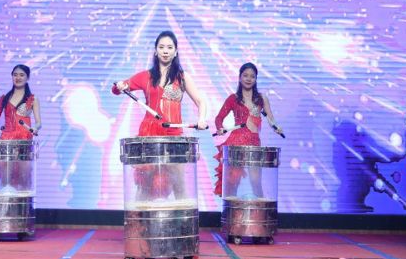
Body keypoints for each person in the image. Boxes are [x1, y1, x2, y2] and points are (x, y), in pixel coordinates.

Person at [112, 31, 207, 201]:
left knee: (179, 184)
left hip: (174, 137)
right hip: (149, 136)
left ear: (176, 51)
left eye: (170, 47)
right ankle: (140, 225)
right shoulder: (146, 76)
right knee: (145, 185)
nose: (165, 51)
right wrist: (119, 86)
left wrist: (202, 119)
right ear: (155, 51)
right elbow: (118, 89)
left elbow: (201, 101)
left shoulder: (182, 77)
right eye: (161, 47)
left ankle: (182, 226)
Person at [212, 62, 282, 197]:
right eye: (245, 75)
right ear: (239, 77)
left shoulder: (261, 98)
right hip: (236, 144)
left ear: (256, 79)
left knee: (256, 181)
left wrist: (277, 127)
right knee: (233, 182)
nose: (249, 79)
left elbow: (271, 119)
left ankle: (260, 214)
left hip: (254, 144)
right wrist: (220, 128)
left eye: (252, 76)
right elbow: (219, 118)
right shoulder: (233, 98)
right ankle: (233, 214)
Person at [0, 64, 41, 140]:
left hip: (24, 140)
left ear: (28, 77)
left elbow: (38, 123)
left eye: (22, 75)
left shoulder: (33, 99)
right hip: (6, 139)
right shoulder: (4, 99)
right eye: (15, 75)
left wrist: (35, 128)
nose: (18, 78)